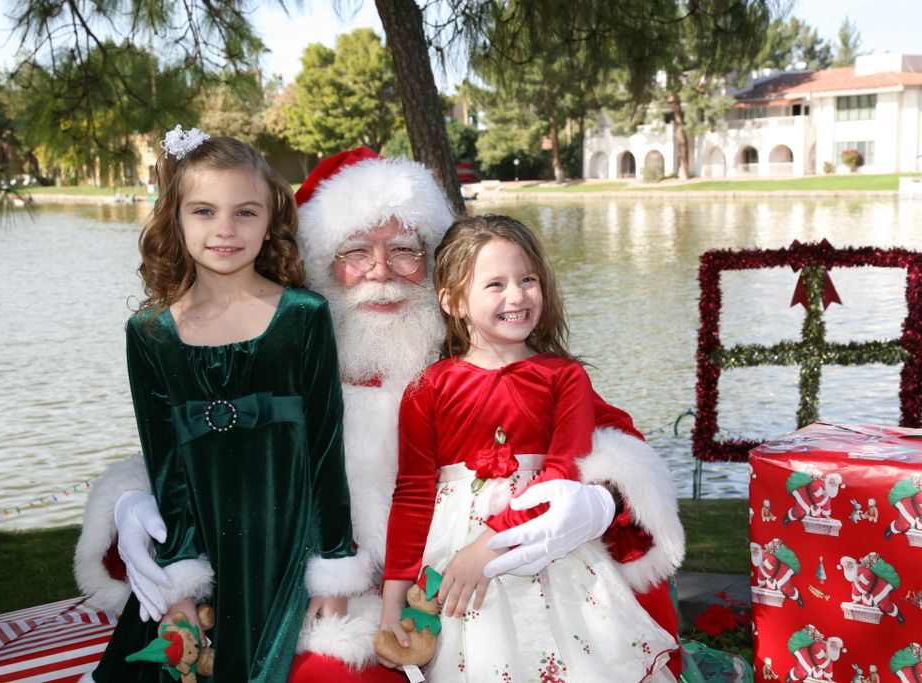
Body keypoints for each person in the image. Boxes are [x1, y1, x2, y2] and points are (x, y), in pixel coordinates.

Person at [74, 147, 685, 681]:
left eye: (404, 251)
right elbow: (196, 436)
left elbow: (604, 434)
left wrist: (597, 496)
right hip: (330, 595)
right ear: (320, 264)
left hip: (469, 583)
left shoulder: (476, 353)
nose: (381, 273)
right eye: (355, 252)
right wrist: (133, 500)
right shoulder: (293, 345)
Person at [87, 127, 356, 682]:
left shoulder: (303, 316)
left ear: (272, 221)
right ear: (175, 219)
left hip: (283, 540)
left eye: (246, 213)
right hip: (201, 539)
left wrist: (332, 565)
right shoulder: (151, 334)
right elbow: (165, 464)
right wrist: (180, 577)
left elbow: (327, 447)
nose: (225, 230)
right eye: (205, 211)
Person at [378, 214, 676, 680]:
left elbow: (563, 473)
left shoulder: (564, 378)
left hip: (545, 548)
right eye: (495, 284)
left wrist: (487, 546)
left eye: (527, 280)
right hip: (455, 561)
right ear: (453, 301)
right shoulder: (426, 388)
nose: (516, 296)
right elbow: (414, 491)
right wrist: (393, 596)